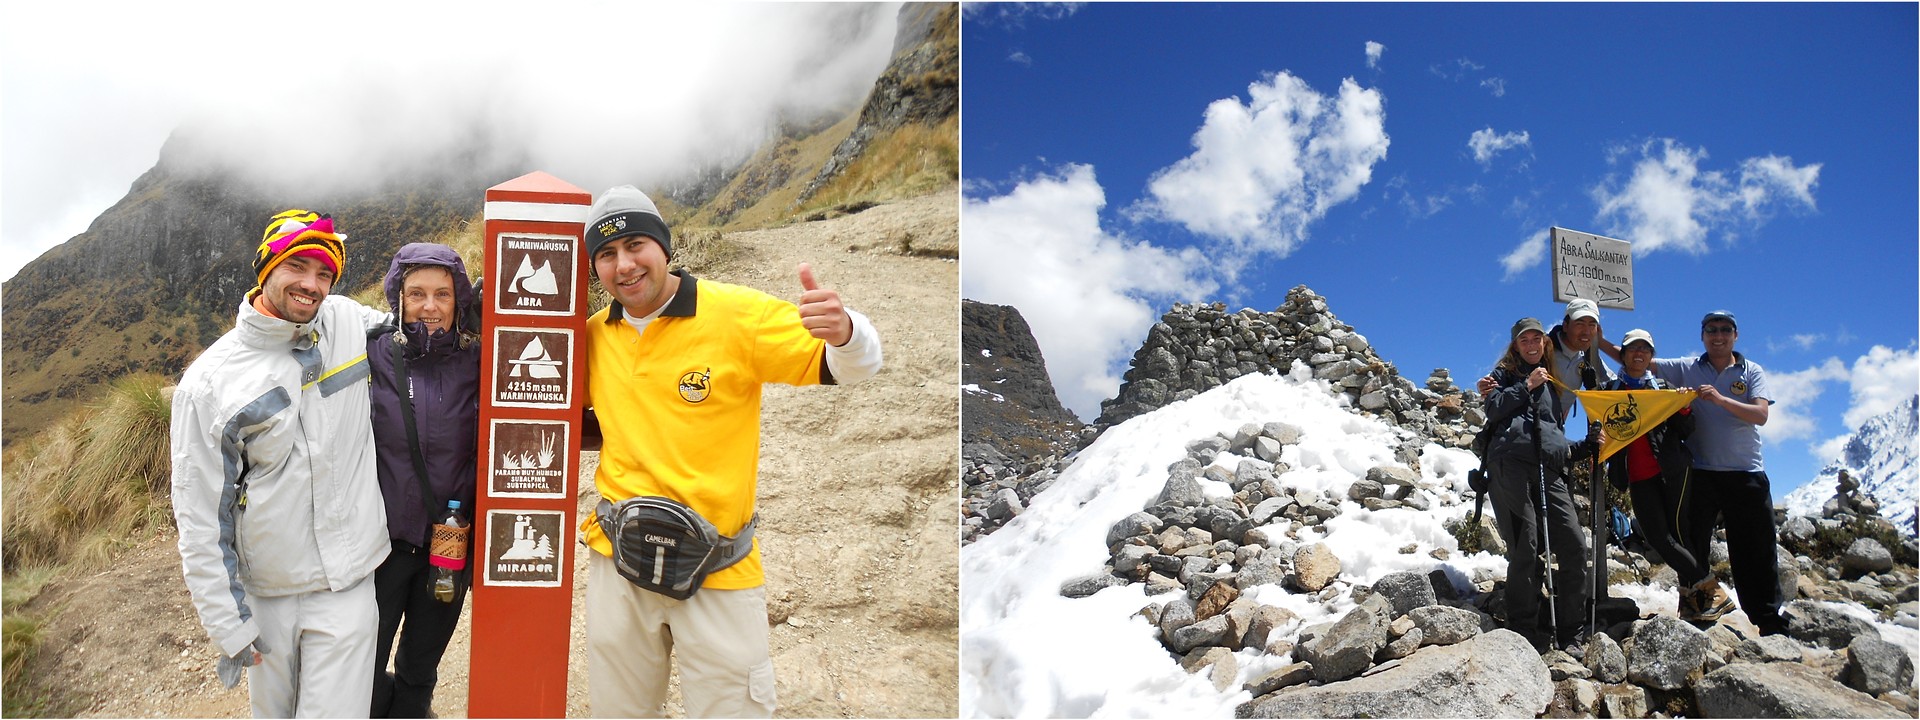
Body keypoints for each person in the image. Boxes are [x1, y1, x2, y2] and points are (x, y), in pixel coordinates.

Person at [577, 185, 884, 718]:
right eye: (606, 254)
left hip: (718, 567)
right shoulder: (592, 337)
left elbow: (852, 366)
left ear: (664, 248)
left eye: (635, 246)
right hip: (617, 563)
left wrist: (848, 332)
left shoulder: (736, 314)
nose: (624, 265)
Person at [171, 209, 391, 717]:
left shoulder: (346, 322)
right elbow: (201, 516)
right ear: (265, 268)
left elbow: (418, 326)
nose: (312, 285)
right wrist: (227, 622)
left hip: (350, 583)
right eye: (298, 267)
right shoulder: (208, 385)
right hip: (268, 592)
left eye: (325, 274)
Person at [1600, 310, 1785, 635]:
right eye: (1712, 329)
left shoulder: (1750, 370)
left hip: (1745, 472)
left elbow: (1761, 415)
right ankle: (1697, 612)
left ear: (1735, 335)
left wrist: (1718, 399)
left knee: (1754, 548)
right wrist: (1595, 338)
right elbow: (1634, 359)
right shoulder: (1685, 368)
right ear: (1703, 335)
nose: (1718, 335)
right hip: (1701, 473)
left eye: (1725, 329)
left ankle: (1768, 621)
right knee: (1690, 540)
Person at [365, 244, 481, 717]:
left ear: (459, 302)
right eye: (416, 294)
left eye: (442, 294)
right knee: (362, 663)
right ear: (398, 297)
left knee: (421, 665)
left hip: (449, 546)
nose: (430, 306)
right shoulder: (372, 354)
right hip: (382, 546)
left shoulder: (481, 363)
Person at [1600, 329, 1734, 622]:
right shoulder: (1610, 390)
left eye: (1645, 350)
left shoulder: (1662, 387)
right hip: (1637, 475)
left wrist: (1684, 409)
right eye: (1633, 349)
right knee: (1661, 539)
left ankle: (1693, 603)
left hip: (1672, 470)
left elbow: (1686, 431)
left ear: (1651, 356)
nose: (1639, 354)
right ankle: (1711, 590)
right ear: (1623, 355)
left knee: (1679, 537)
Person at [1480, 317, 1590, 652]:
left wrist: (1586, 446)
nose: (1531, 345)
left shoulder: (1553, 384)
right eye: (1524, 340)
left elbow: (1553, 435)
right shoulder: (1502, 377)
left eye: (1536, 339)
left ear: (1545, 343)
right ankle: (1524, 629)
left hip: (1549, 468)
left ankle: (1573, 629)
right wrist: (1524, 385)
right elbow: (1494, 409)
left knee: (1573, 542)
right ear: (1516, 345)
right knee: (1525, 544)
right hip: (1509, 464)